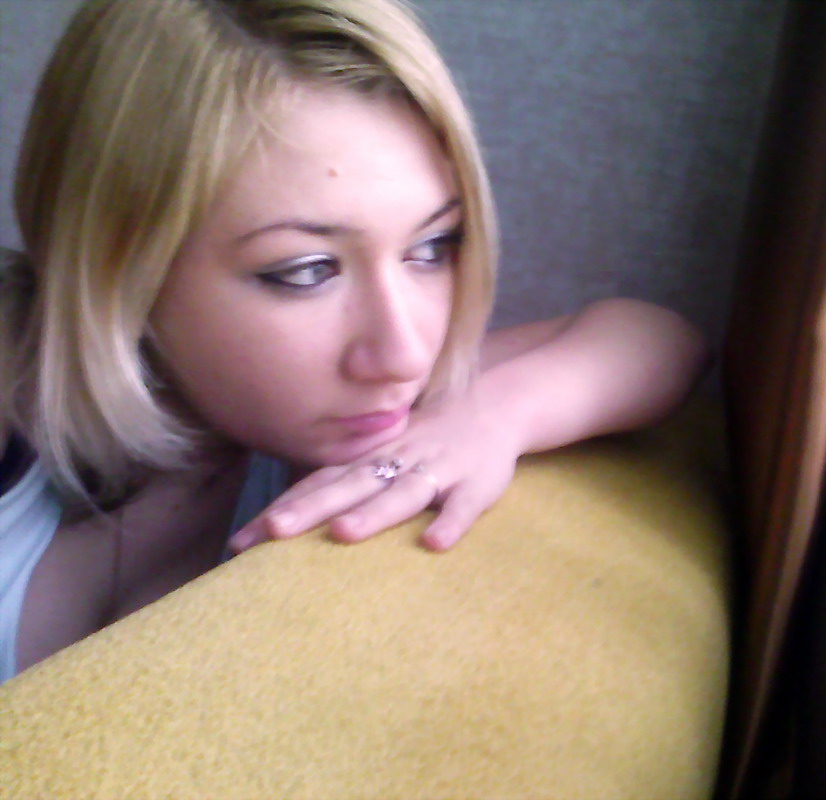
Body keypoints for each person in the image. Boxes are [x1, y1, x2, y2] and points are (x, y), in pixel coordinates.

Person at [0, 0, 708, 684]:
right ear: (116, 262)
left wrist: (497, 414)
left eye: (433, 247)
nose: (405, 356)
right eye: (306, 271)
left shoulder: (366, 413)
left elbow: (655, 339)